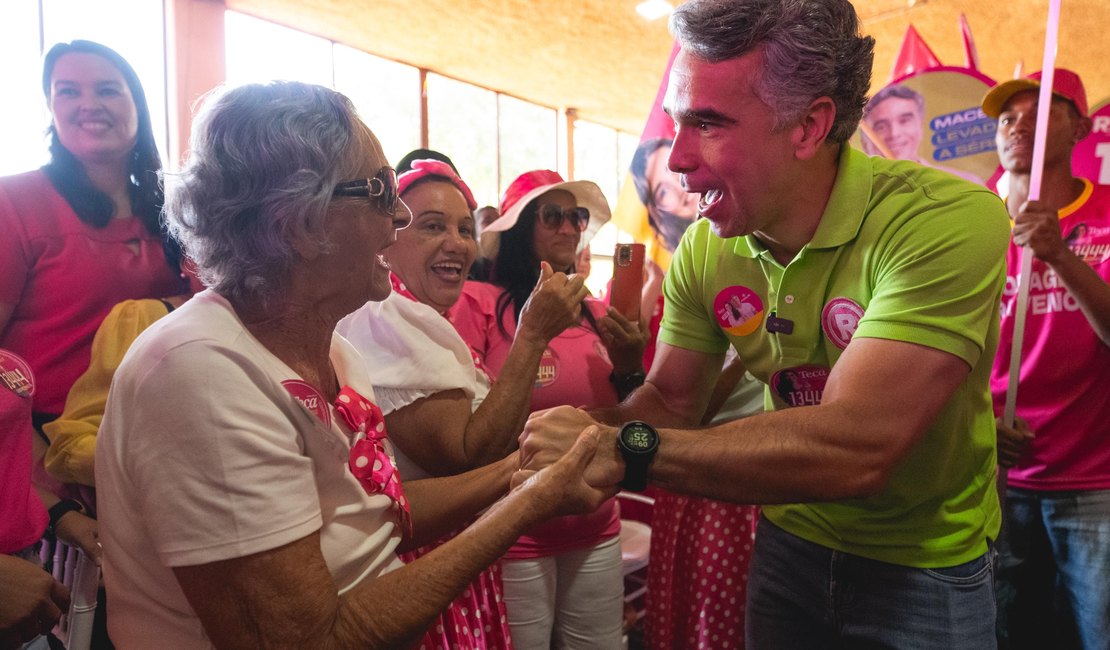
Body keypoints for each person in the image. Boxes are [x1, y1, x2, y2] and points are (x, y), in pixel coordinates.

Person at [518, 0, 1011, 647]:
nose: (679, 160)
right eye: (675, 123)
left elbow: (856, 447)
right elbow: (669, 401)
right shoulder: (707, 246)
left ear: (809, 126)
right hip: (788, 543)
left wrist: (621, 449)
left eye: (707, 124)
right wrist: (565, 435)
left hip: (926, 563)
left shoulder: (945, 221)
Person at [93, 81, 611, 649]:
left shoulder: (334, 348)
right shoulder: (203, 374)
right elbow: (310, 640)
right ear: (300, 224)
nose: (399, 216)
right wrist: (528, 504)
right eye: (381, 190)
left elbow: (376, 511)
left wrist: (527, 473)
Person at [337, 158, 585, 648]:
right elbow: (467, 453)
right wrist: (533, 334)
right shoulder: (386, 317)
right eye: (432, 226)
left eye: (465, 228)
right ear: (388, 236)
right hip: (423, 565)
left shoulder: (420, 316)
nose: (457, 242)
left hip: (457, 552)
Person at [455, 169, 646, 649]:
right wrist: (532, 332)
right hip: (510, 528)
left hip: (596, 521)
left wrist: (629, 366)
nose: (569, 227)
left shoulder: (598, 314)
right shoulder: (478, 304)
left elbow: (634, 417)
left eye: (576, 216)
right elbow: (471, 428)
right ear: (522, 228)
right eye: (553, 216)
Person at [982, 69, 1110, 650]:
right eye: (1008, 117)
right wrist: (975, 425)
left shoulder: (1107, 214)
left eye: (1039, 114)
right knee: (1003, 634)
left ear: (1081, 127)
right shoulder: (969, 225)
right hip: (993, 476)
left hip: (1095, 481)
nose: (1017, 126)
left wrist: (1060, 254)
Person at [0, 40, 184, 433]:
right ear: (52, 109)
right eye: (68, 91)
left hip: (165, 429)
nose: (88, 104)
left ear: (138, 106)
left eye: (107, 90)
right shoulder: (12, 202)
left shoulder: (178, 210)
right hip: (44, 442)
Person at [861, 84, 984, 184]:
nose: (894, 133)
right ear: (865, 141)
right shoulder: (859, 200)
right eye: (881, 127)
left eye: (904, 121)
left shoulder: (964, 184)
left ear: (920, 125)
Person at [631, 137, 699, 251]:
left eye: (672, 169)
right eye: (663, 192)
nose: (678, 185)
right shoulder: (685, 255)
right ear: (657, 212)